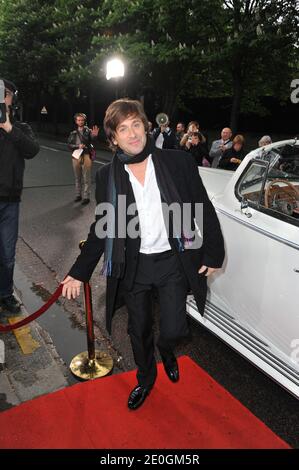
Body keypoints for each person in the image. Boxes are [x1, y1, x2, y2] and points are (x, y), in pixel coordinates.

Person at [62, 99, 225, 410]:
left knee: (176, 328)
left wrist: (213, 252)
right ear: (113, 138)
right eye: (123, 129)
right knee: (138, 329)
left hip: (171, 260)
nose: (133, 133)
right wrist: (78, 271)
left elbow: (202, 208)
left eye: (136, 124)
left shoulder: (177, 163)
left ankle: (167, 350)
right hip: (133, 265)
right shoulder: (108, 176)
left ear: (146, 126)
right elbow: (104, 227)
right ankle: (146, 378)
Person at [0, 78, 40, 313]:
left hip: (10, 202)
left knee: (6, 254)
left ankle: (5, 293)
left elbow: (32, 150)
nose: (3, 97)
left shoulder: (21, 128)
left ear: (12, 98)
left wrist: (8, 128)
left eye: (6, 93)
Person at [67, 113, 99, 205]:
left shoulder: (88, 131)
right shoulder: (73, 133)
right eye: (78, 120)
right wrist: (77, 146)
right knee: (77, 177)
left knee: (86, 177)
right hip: (75, 156)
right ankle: (78, 195)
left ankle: (86, 197)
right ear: (76, 121)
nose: (80, 121)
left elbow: (92, 140)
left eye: (82, 120)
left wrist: (95, 136)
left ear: (84, 121)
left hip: (86, 155)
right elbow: (69, 145)